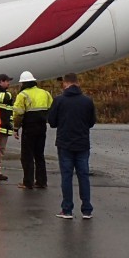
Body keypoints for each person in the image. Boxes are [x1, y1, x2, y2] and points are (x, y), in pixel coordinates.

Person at [47, 72, 96, 220]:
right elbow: (91, 122)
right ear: (77, 82)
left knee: (66, 177)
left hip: (65, 144)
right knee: (84, 176)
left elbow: (52, 122)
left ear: (65, 84)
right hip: (82, 143)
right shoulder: (87, 101)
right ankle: (87, 210)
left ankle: (67, 209)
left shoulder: (59, 100)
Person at [12, 71, 53, 189]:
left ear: (23, 83)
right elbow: (51, 108)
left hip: (29, 128)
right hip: (42, 127)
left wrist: (16, 128)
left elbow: (18, 114)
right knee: (39, 155)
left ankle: (28, 182)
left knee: (27, 156)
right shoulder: (45, 93)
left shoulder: (23, 95)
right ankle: (41, 181)